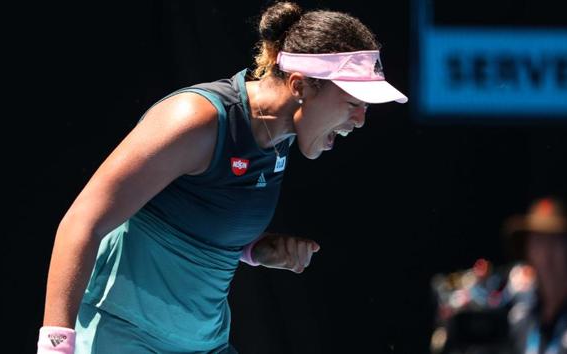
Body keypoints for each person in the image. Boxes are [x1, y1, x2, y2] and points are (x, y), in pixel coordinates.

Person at [36, 2, 408, 353]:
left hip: (202, 342)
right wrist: (55, 346)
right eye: (353, 103)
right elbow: (82, 222)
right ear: (300, 86)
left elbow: (191, 212)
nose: (360, 120)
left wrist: (253, 249)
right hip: (121, 334)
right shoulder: (195, 121)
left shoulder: (281, 139)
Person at [503, 196, 567, 353]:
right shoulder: (519, 319)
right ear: (527, 252)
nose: (546, 254)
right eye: (538, 242)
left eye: (556, 242)